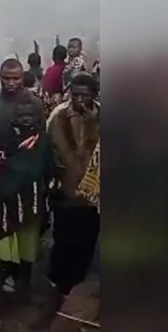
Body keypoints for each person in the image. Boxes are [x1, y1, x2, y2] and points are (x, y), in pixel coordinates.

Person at [35, 73, 100, 328]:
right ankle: (59, 284)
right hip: (63, 192)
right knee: (63, 238)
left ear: (95, 94)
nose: (79, 99)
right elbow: (45, 150)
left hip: (93, 196)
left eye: (85, 94)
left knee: (87, 239)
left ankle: (75, 283)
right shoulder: (58, 116)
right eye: (75, 94)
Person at [0, 59, 46, 311]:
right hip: (1, 180)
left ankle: (22, 286)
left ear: (23, 77)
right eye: (6, 78)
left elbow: (41, 140)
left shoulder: (35, 103)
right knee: (2, 234)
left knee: (26, 235)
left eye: (16, 78)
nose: (11, 83)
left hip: (29, 182)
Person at [42, 45, 67, 116]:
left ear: (53, 56)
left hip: (54, 102)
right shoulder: (68, 68)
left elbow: (46, 87)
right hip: (66, 101)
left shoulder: (50, 71)